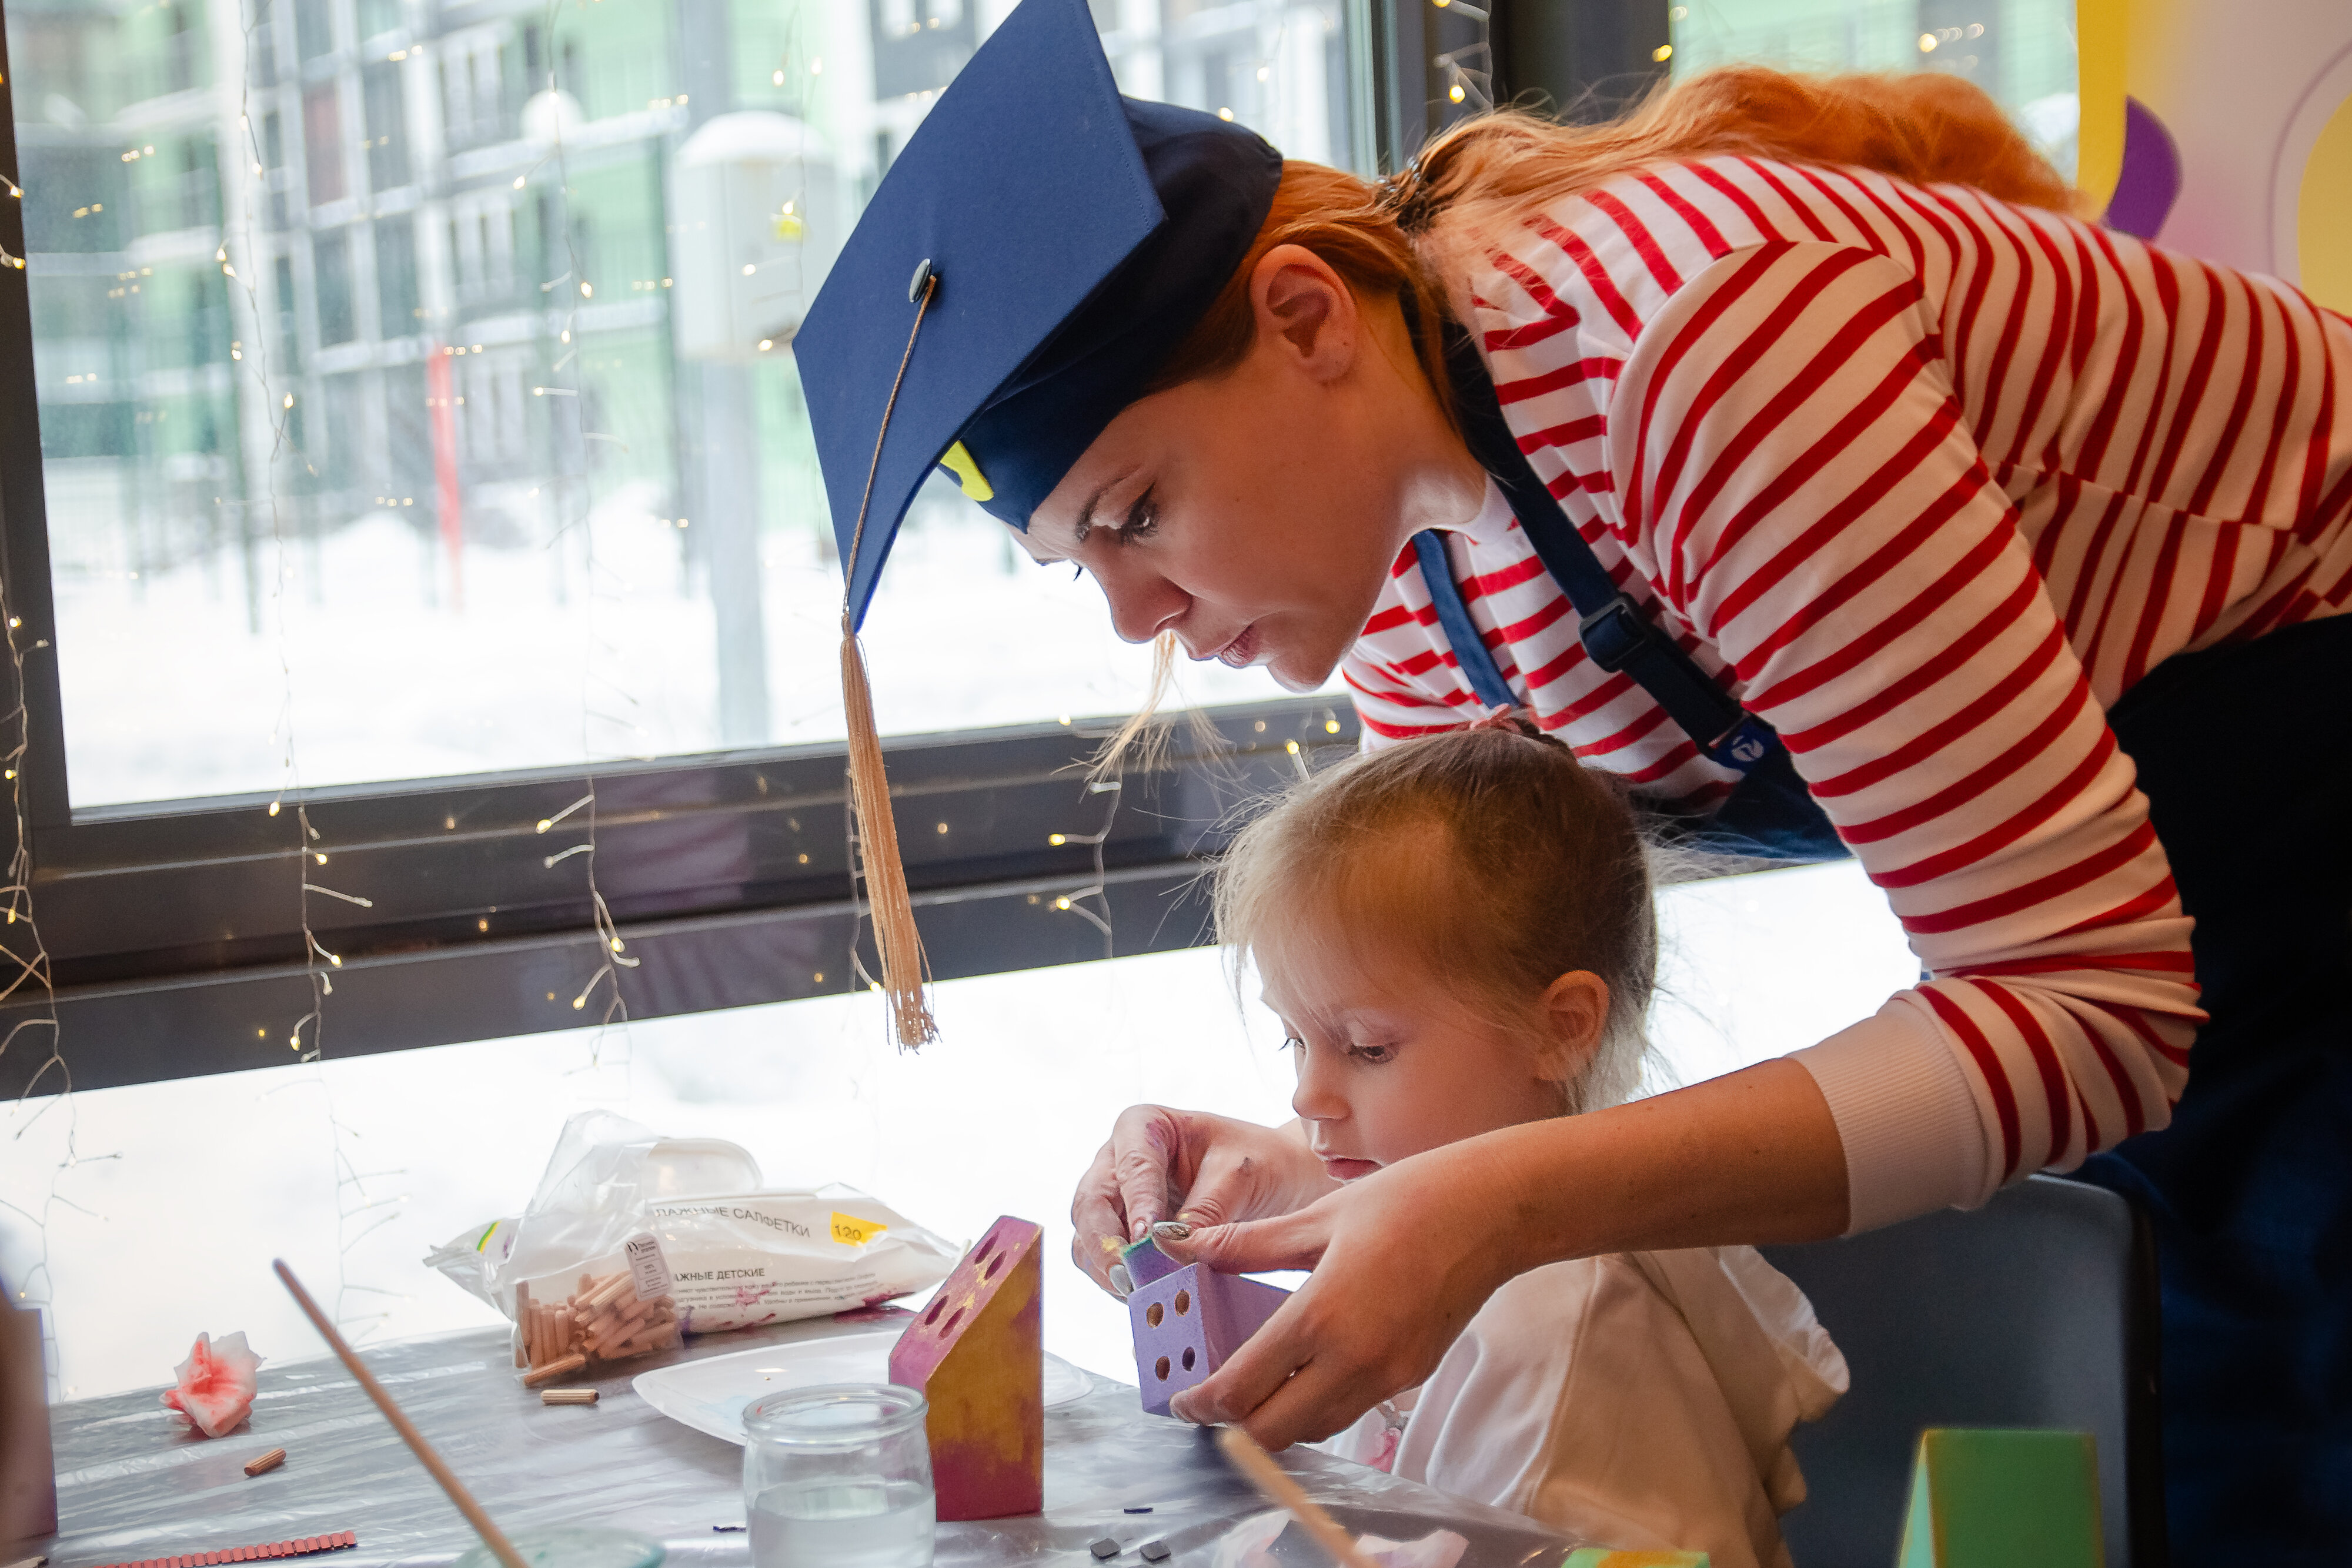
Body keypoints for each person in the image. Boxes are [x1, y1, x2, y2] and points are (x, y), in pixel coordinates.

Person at [789, 2, 2351, 1553]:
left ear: (1306, 317)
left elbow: (2085, 1001)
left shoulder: (1705, 353)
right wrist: (1317, 1173)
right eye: (1081, 567)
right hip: (2172, 864)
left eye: (1137, 513)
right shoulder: (1404, 586)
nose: (1138, 617)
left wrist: (1499, 1206)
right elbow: (1485, 1037)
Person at [1209, 713, 1847, 1567]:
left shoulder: (1563, 1343)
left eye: (1367, 1048)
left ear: (1562, 1030)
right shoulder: (1412, 1250)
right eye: (1296, 1039)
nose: (1307, 1096)